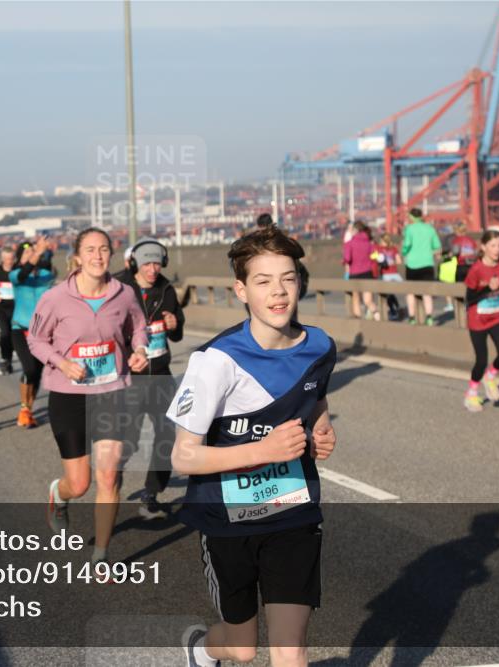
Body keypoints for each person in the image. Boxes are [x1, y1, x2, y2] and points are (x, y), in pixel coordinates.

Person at [169, 225, 337, 667]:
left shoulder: (320, 346)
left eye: (288, 278)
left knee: (291, 652)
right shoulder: (216, 361)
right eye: (263, 282)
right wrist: (262, 451)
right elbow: (182, 455)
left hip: (293, 511)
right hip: (228, 520)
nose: (278, 292)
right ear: (241, 290)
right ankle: (202, 649)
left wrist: (322, 424)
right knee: (242, 650)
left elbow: (315, 395)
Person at [28, 228, 149, 567]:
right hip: (69, 396)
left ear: (111, 254)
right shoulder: (55, 298)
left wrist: (140, 349)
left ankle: (101, 556)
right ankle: (58, 495)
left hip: (111, 391)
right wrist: (62, 362)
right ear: (77, 257)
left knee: (108, 475)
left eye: (104, 249)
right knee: (79, 483)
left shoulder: (124, 293)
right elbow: (36, 340)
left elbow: (138, 326)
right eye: (90, 250)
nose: (98, 256)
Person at [113, 237, 186, 520]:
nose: (153, 269)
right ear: (134, 264)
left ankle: (151, 494)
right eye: (147, 263)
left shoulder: (166, 288)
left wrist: (175, 324)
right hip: (131, 377)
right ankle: (113, 476)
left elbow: (177, 332)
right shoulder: (118, 289)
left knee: (167, 434)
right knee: (129, 439)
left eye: (157, 262)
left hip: (161, 374)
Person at [463, 231, 499, 412]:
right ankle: (471, 394)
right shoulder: (476, 270)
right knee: (481, 360)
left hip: (497, 315)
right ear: (483, 247)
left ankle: (490, 377)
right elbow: (469, 298)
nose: (497, 250)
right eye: (492, 246)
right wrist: (486, 289)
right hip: (478, 319)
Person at [10, 238, 55, 428]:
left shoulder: (46, 275)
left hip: (42, 332)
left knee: (36, 373)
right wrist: (36, 252)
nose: (31, 257)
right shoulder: (15, 275)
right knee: (28, 368)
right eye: (26, 254)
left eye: (33, 254)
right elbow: (24, 274)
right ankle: (23, 408)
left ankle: (28, 409)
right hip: (20, 329)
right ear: (20, 259)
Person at [401, 208, 441, 326]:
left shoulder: (409, 229)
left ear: (412, 217)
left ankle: (412, 318)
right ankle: (429, 317)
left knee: (411, 292)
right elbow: (437, 245)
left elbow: (407, 244)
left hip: (412, 264)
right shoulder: (430, 229)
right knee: (426, 293)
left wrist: (404, 253)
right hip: (427, 263)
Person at [342, 221, 378, 320]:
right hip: (368, 273)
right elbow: (374, 256)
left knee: (356, 298)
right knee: (368, 300)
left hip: (355, 273)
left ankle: (358, 320)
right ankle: (378, 316)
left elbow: (347, 259)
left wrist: (343, 261)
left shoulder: (349, 243)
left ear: (355, 230)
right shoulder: (369, 242)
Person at [374, 233, 402, 320]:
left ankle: (394, 310)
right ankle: (396, 309)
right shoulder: (392, 249)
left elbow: (399, 261)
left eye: (381, 241)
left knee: (388, 294)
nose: (380, 242)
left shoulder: (384, 249)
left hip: (388, 274)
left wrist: (388, 262)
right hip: (390, 274)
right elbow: (399, 261)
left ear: (384, 240)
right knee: (389, 293)